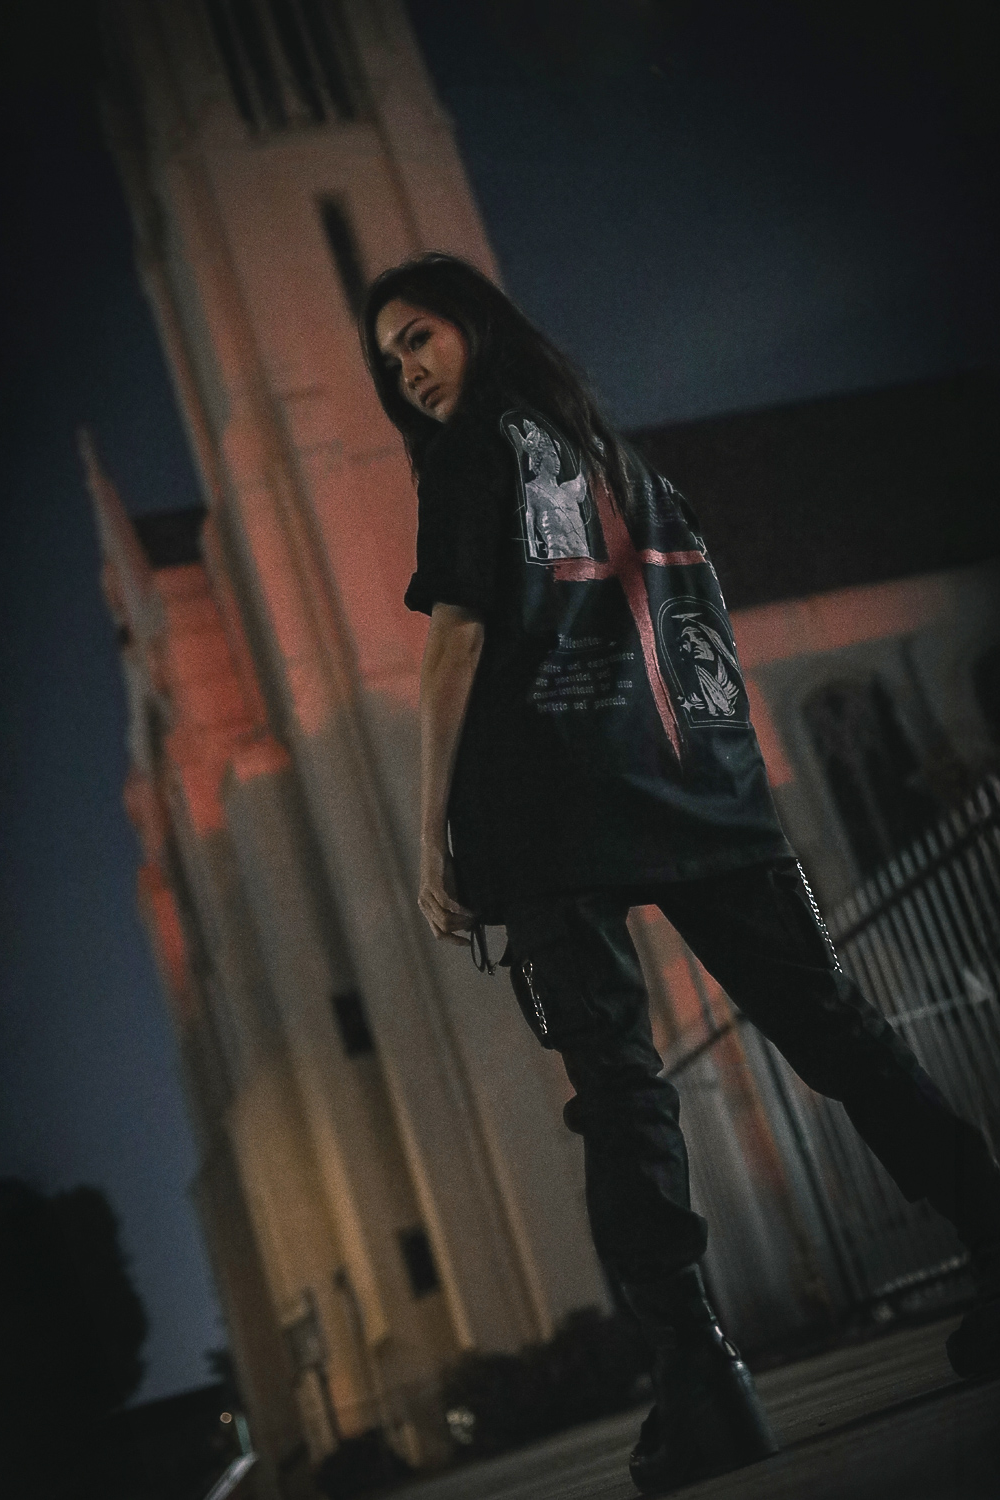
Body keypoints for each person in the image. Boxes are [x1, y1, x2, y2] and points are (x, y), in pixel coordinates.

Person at [361, 254, 1000, 1493]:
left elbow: (458, 640)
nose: (408, 372)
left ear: (474, 326)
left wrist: (430, 830)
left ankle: (703, 1384)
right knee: (839, 1032)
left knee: (619, 1091)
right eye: (391, 361)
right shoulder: (617, 457)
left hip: (552, 809)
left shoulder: (470, 452)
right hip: (702, 791)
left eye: (419, 337)